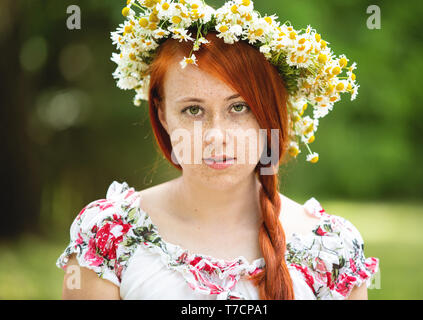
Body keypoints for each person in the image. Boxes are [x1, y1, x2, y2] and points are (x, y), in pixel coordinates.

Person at [56, 0, 379, 300]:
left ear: (271, 113)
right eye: (193, 111)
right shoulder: (110, 234)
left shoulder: (331, 247)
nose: (216, 136)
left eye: (239, 107)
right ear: (162, 115)